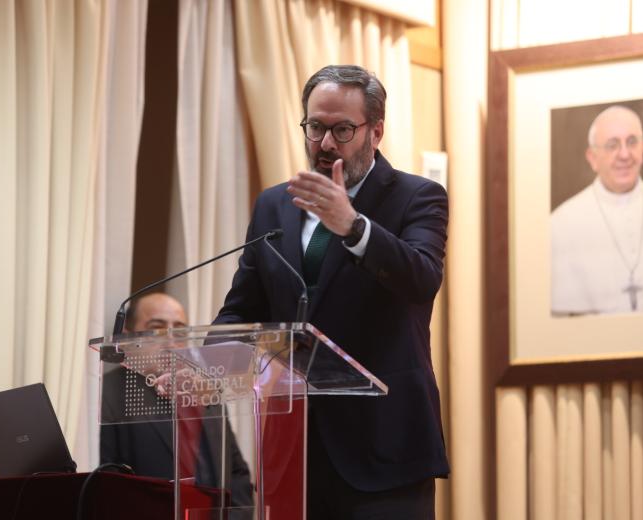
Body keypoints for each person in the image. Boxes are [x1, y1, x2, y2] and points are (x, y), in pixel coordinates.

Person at [213, 65, 449, 519]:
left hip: (385, 452)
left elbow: (421, 277)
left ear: (375, 132)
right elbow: (243, 309)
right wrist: (201, 366)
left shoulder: (418, 197)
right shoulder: (274, 204)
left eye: (342, 130)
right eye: (315, 126)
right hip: (294, 451)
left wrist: (354, 227)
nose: (324, 144)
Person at [99, 292, 253, 512]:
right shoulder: (111, 392)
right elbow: (108, 480)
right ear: (127, 337)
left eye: (180, 331)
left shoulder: (204, 389)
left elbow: (236, 472)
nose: (170, 340)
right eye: (158, 328)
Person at [551, 105, 643, 315]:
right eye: (612, 145)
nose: (624, 154)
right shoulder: (561, 224)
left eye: (632, 142)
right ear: (592, 158)